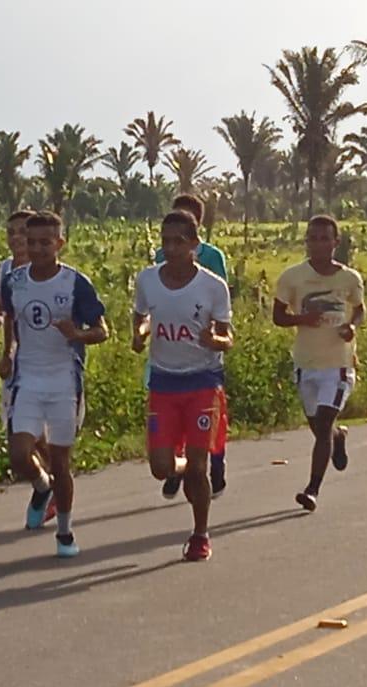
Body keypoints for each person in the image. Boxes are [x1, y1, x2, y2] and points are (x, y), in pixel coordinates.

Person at [0, 211, 108, 556]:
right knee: (19, 452)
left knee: (61, 462)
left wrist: (77, 334)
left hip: (64, 381)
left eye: (45, 242)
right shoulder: (14, 281)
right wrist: (7, 353)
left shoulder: (75, 283)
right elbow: (10, 319)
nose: (37, 249)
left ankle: (64, 531)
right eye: (31, 242)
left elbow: (102, 330)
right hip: (28, 379)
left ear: (60, 243)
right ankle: (40, 485)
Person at [132, 210, 233, 562]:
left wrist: (214, 339)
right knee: (161, 466)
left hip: (203, 382)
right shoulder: (147, 280)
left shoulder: (212, 286)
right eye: (165, 241)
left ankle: (199, 534)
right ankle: (184, 468)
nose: (171, 248)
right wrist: (140, 333)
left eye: (179, 242)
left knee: (199, 466)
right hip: (163, 381)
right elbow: (141, 314)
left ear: (195, 244)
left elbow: (227, 337)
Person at [272, 215, 365, 512]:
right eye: (313, 238)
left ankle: (312, 489)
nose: (319, 244)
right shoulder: (292, 277)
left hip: (338, 364)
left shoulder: (349, 278)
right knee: (319, 427)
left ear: (336, 243)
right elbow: (278, 316)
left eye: (325, 238)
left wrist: (352, 326)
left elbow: (359, 309)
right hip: (306, 362)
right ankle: (339, 437)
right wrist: (302, 318)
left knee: (323, 424)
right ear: (307, 242)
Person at [151, 193, 230, 500]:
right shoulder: (160, 258)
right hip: (167, 352)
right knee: (172, 424)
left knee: (210, 422)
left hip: (204, 358)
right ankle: (177, 466)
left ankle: (215, 465)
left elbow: (219, 305)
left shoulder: (212, 258)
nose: (173, 248)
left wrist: (212, 335)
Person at [0, 209, 56, 528]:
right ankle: (45, 485)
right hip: (17, 365)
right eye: (11, 232)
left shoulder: (56, 275)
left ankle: (53, 488)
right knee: (21, 439)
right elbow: (2, 315)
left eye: (23, 232)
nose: (16, 238)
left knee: (40, 435)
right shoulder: (0, 273)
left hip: (51, 364)